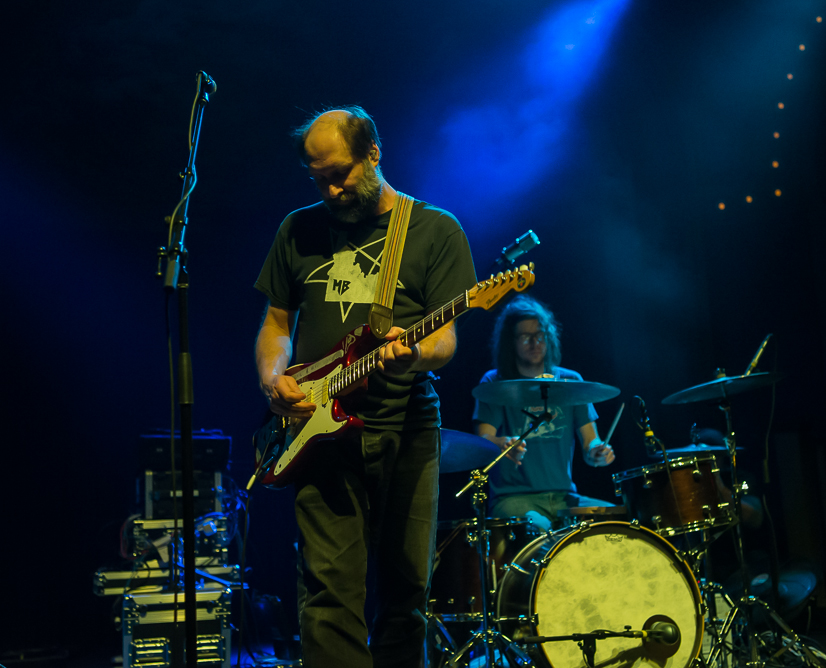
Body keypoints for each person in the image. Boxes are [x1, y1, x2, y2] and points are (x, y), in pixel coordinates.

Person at [254, 106, 476, 668]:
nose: (330, 188)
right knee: (328, 592)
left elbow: (445, 341)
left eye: (341, 173)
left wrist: (414, 354)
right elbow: (277, 324)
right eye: (318, 177)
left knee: (406, 593)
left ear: (373, 153)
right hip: (316, 429)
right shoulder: (297, 229)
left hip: (405, 423)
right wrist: (272, 375)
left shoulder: (434, 229)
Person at [472, 295, 615, 531]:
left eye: (540, 336)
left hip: (564, 497)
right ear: (511, 342)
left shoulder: (570, 382)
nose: (535, 343)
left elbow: (591, 443)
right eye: (526, 337)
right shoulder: (495, 382)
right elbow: (481, 441)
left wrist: (597, 452)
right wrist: (500, 443)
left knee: (618, 522)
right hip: (513, 499)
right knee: (541, 529)